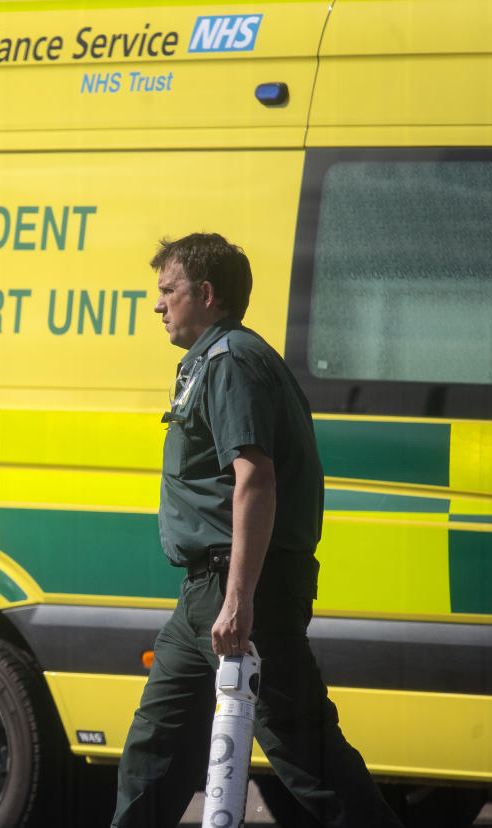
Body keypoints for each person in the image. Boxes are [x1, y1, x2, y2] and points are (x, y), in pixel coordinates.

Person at [111, 233, 404, 828]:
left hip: (245, 591)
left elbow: (256, 480)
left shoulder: (232, 362)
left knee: (306, 756)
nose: (158, 304)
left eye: (168, 290)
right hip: (205, 595)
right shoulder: (214, 359)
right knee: (154, 752)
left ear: (207, 293)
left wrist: (240, 601)